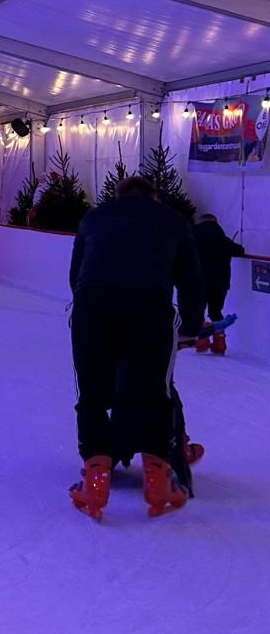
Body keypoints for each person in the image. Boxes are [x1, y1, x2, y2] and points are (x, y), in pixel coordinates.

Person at [66, 175, 203, 522]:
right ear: (153, 196)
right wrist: (189, 325)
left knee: (92, 394)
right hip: (150, 309)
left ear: (118, 194)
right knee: (157, 393)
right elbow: (191, 278)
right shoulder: (174, 220)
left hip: (92, 306)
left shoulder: (94, 218)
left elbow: (75, 274)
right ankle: (159, 482)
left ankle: (96, 480)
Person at [193, 213, 246, 326]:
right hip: (219, 283)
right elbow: (240, 251)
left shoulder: (191, 239)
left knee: (197, 313)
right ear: (216, 224)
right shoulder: (222, 239)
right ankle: (220, 340)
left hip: (197, 282)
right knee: (216, 313)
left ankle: (199, 340)